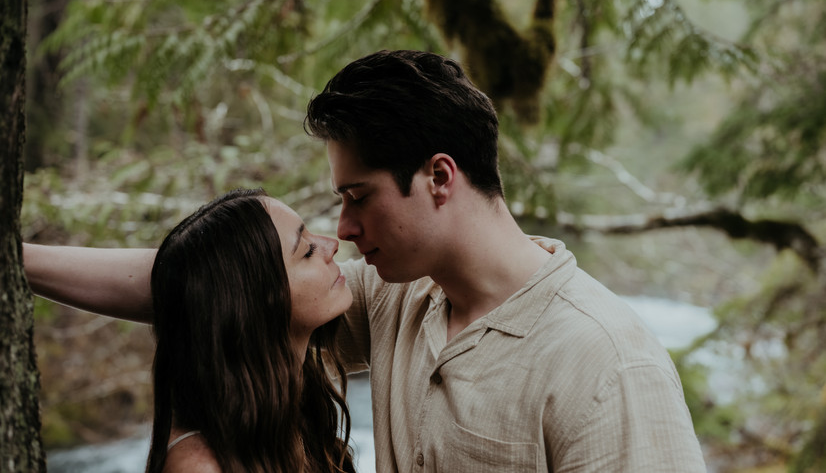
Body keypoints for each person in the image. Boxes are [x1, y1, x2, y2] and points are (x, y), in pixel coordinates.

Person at [25, 50, 707, 472]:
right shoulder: (400, 298)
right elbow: (213, 284)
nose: (345, 230)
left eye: (359, 197)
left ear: (439, 177)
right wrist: (17, 262)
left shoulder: (606, 362)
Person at [144, 188, 355, 472]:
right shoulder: (202, 466)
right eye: (307, 251)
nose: (332, 245)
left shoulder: (292, 410)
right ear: (258, 301)